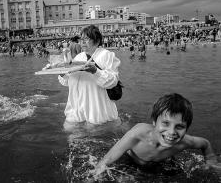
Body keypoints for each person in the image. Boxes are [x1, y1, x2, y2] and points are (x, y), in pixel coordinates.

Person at [93, 93, 221, 177]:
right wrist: (96, 174)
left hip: (160, 162)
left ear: (187, 128)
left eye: (180, 126)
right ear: (154, 122)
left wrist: (211, 160)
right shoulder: (137, 135)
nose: (171, 132)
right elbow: (106, 160)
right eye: (165, 123)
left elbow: (205, 143)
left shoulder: (185, 142)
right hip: (131, 160)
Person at [58, 25, 121, 127]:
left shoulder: (106, 55)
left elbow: (112, 81)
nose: (82, 42)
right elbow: (69, 82)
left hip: (97, 111)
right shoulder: (79, 57)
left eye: (86, 39)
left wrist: (95, 71)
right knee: (70, 133)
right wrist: (62, 73)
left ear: (97, 40)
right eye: (81, 39)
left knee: (95, 136)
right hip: (76, 111)